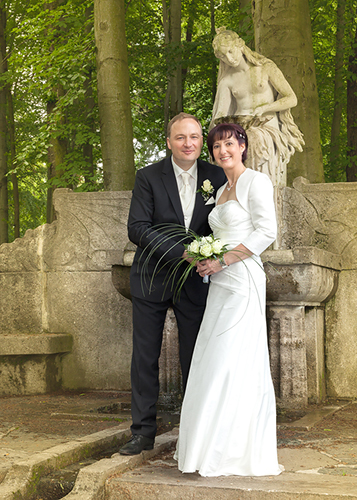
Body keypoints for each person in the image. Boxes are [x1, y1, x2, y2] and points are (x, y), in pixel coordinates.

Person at [174, 122, 283, 477]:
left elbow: (266, 231)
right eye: (217, 146)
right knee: (212, 356)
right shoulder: (218, 190)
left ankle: (235, 450)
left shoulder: (256, 182)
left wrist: (221, 260)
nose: (223, 151)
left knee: (234, 358)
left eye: (229, 144)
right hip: (219, 283)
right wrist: (200, 256)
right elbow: (213, 233)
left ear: (243, 146)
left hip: (243, 279)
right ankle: (207, 446)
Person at [119, 113, 226, 455]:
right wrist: (182, 253)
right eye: (181, 137)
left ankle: (194, 431)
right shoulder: (148, 176)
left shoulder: (217, 176)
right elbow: (137, 228)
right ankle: (142, 432)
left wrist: (215, 256)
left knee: (195, 356)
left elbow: (225, 224)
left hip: (195, 280)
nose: (189, 143)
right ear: (169, 142)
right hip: (151, 276)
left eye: (195, 137)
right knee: (145, 357)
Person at [210, 28, 304, 187]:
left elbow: (291, 98)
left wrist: (267, 108)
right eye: (222, 56)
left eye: (231, 52)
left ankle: (257, 190)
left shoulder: (265, 68)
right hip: (238, 129)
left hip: (266, 128)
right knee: (226, 144)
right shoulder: (227, 81)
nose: (229, 59)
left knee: (251, 138)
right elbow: (219, 115)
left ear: (240, 45)